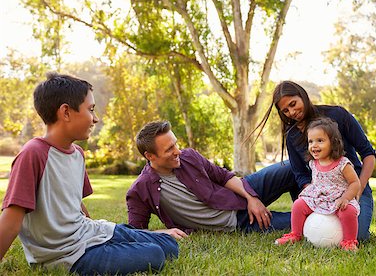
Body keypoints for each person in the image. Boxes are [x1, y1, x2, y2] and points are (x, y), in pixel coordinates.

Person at [0, 72, 179, 275]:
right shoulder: (33, 153)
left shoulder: (77, 154)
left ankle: (131, 237)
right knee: (155, 254)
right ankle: (129, 240)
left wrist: (99, 233)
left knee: (169, 244)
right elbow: (11, 220)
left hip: (88, 233)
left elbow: (74, 203)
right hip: (66, 254)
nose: (96, 118)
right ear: (66, 112)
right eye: (91, 109)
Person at [253, 80, 376, 241]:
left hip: (353, 187)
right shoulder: (292, 135)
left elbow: (369, 154)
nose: (292, 112)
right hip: (320, 192)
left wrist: (357, 190)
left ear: (302, 95)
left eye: (293, 104)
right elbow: (300, 174)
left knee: (359, 236)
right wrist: (316, 194)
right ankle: (296, 229)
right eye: (285, 110)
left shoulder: (338, 115)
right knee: (312, 227)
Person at [126, 121, 300, 234]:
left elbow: (224, 176)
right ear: (150, 156)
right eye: (169, 149)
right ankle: (315, 214)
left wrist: (251, 197)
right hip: (238, 221)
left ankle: (313, 201)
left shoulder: (189, 156)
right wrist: (163, 232)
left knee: (294, 166)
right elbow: (134, 232)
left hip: (242, 190)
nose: (177, 151)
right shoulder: (140, 190)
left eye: (176, 144)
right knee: (302, 222)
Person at [275, 117, 361, 251]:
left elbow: (355, 183)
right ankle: (295, 234)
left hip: (338, 198)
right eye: (310, 141)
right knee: (298, 205)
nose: (314, 145)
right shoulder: (313, 163)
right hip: (319, 197)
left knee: (348, 212)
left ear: (333, 143)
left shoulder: (343, 163)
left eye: (320, 141)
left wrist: (346, 198)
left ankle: (349, 242)